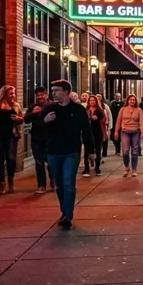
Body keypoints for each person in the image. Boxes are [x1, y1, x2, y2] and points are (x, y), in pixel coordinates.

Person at [42, 80, 93, 228]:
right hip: (53, 151)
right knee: (59, 185)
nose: (54, 93)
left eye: (57, 90)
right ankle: (64, 210)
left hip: (72, 151)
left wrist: (90, 151)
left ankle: (68, 215)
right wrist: (45, 120)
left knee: (68, 183)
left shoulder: (78, 110)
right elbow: (36, 128)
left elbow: (86, 130)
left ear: (66, 92)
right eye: (53, 90)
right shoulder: (49, 108)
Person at [0, 85, 24, 194]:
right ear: (4, 94)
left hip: (11, 135)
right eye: (11, 93)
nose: (13, 95)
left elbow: (21, 119)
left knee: (11, 158)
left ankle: (10, 180)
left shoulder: (16, 105)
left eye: (14, 93)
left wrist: (18, 119)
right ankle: (2, 184)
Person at [24, 86, 53, 193]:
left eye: (42, 94)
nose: (40, 97)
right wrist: (34, 113)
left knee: (51, 161)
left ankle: (53, 180)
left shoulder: (52, 106)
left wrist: (39, 113)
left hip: (50, 138)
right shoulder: (33, 107)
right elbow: (26, 120)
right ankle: (41, 185)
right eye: (38, 95)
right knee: (39, 162)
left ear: (46, 94)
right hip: (36, 138)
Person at [114, 94, 143, 177]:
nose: (132, 101)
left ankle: (134, 169)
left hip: (135, 132)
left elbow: (142, 121)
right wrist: (116, 131)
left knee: (135, 151)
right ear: (127, 101)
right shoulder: (122, 109)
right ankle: (127, 167)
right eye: (130, 99)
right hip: (125, 132)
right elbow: (118, 121)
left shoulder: (139, 110)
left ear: (136, 101)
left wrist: (142, 132)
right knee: (125, 151)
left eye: (134, 100)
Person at [83, 95, 106, 177]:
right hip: (88, 132)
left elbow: (103, 120)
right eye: (90, 100)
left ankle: (97, 167)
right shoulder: (86, 110)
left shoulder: (99, 111)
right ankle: (86, 168)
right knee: (87, 150)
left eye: (93, 100)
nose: (92, 102)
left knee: (98, 149)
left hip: (97, 132)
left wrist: (97, 119)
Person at [96, 94, 111, 159]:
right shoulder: (92, 106)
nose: (98, 98)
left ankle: (103, 153)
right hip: (95, 126)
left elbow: (109, 115)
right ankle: (98, 155)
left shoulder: (105, 106)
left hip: (104, 125)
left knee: (104, 140)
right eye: (97, 97)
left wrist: (110, 125)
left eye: (100, 97)